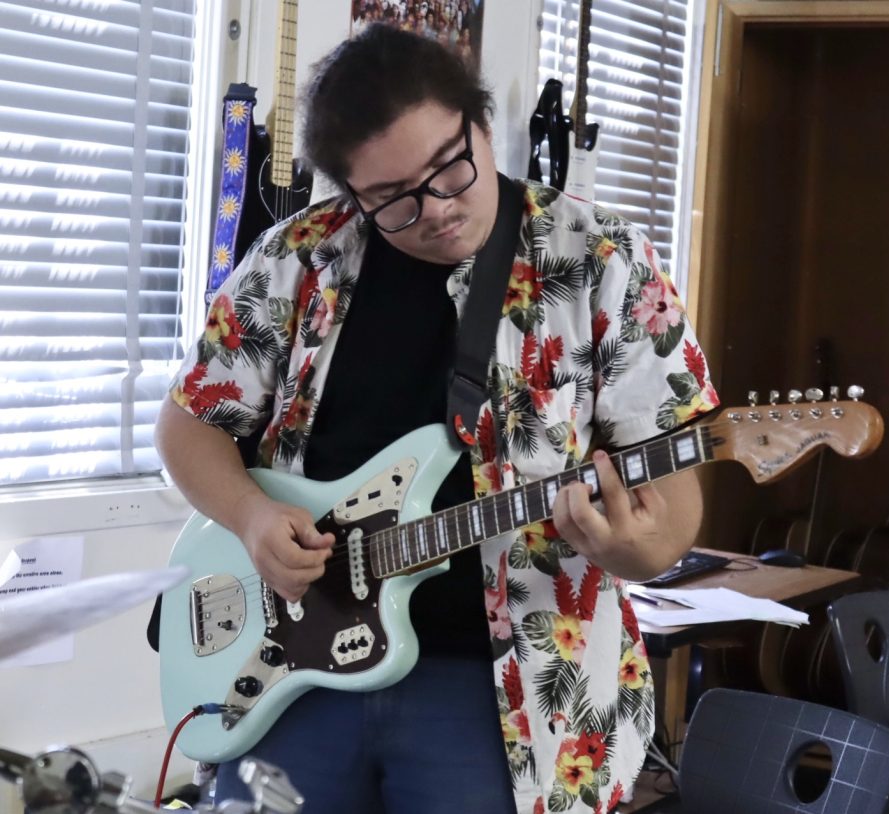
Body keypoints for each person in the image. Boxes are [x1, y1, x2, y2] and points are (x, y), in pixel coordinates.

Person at [155, 23, 719, 814]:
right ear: (353, 194)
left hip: (505, 694)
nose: (438, 210)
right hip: (296, 670)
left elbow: (675, 485)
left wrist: (638, 547)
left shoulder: (602, 262)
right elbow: (189, 424)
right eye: (392, 199)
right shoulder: (298, 257)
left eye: (451, 168)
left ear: (481, 124)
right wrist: (250, 517)